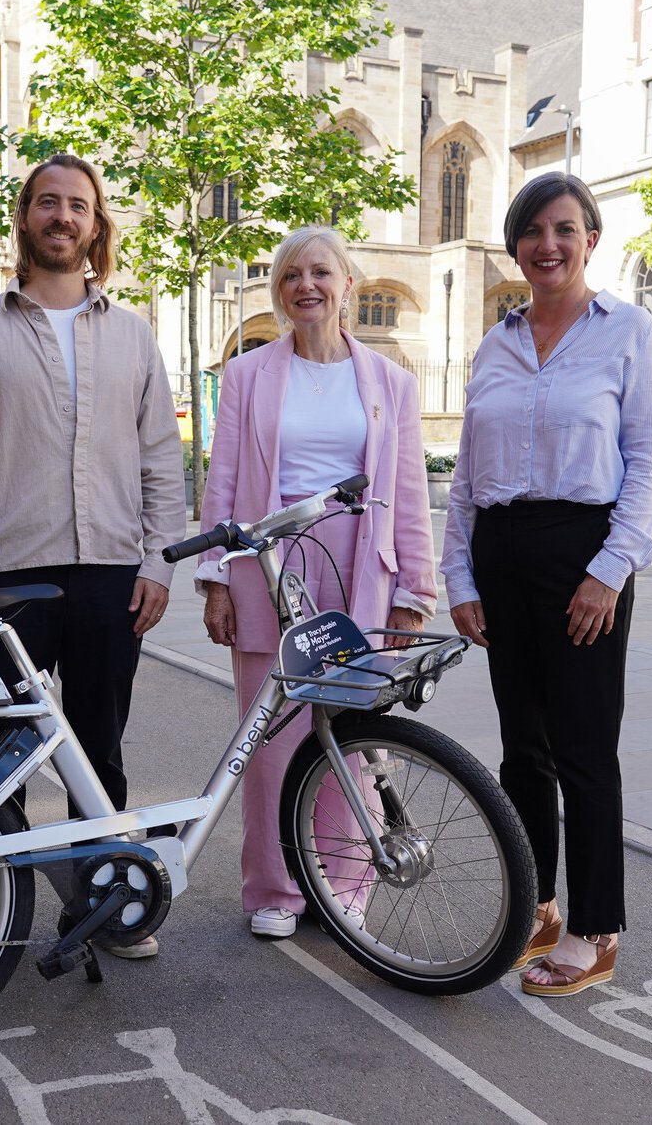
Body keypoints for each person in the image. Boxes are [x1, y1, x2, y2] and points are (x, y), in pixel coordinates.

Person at [0, 153, 185, 959]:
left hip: (108, 579)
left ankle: (105, 902)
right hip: (4, 582)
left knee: (98, 752)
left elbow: (161, 462)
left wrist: (159, 566)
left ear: (97, 228)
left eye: (79, 207)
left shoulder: (133, 336)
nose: (64, 217)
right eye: (48, 204)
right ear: (25, 217)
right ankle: (0, 912)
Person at [441, 172, 652, 997]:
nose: (548, 245)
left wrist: (609, 571)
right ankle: (535, 907)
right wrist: (459, 574)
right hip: (503, 552)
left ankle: (595, 927)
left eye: (565, 229)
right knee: (521, 750)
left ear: (590, 240)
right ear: (515, 246)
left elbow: (649, 463)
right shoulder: (496, 342)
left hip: (586, 551)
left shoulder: (629, 332)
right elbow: (466, 475)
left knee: (582, 748)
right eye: (533, 231)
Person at [195, 226, 437, 939]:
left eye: (321, 272)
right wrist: (216, 578)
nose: (306, 285)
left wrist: (414, 590)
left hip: (361, 568)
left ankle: (346, 882)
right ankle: (274, 887)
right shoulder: (247, 375)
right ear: (278, 290)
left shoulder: (391, 383)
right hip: (269, 567)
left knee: (353, 739)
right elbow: (226, 483)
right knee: (269, 738)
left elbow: (409, 492)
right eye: (291, 274)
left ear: (348, 286)